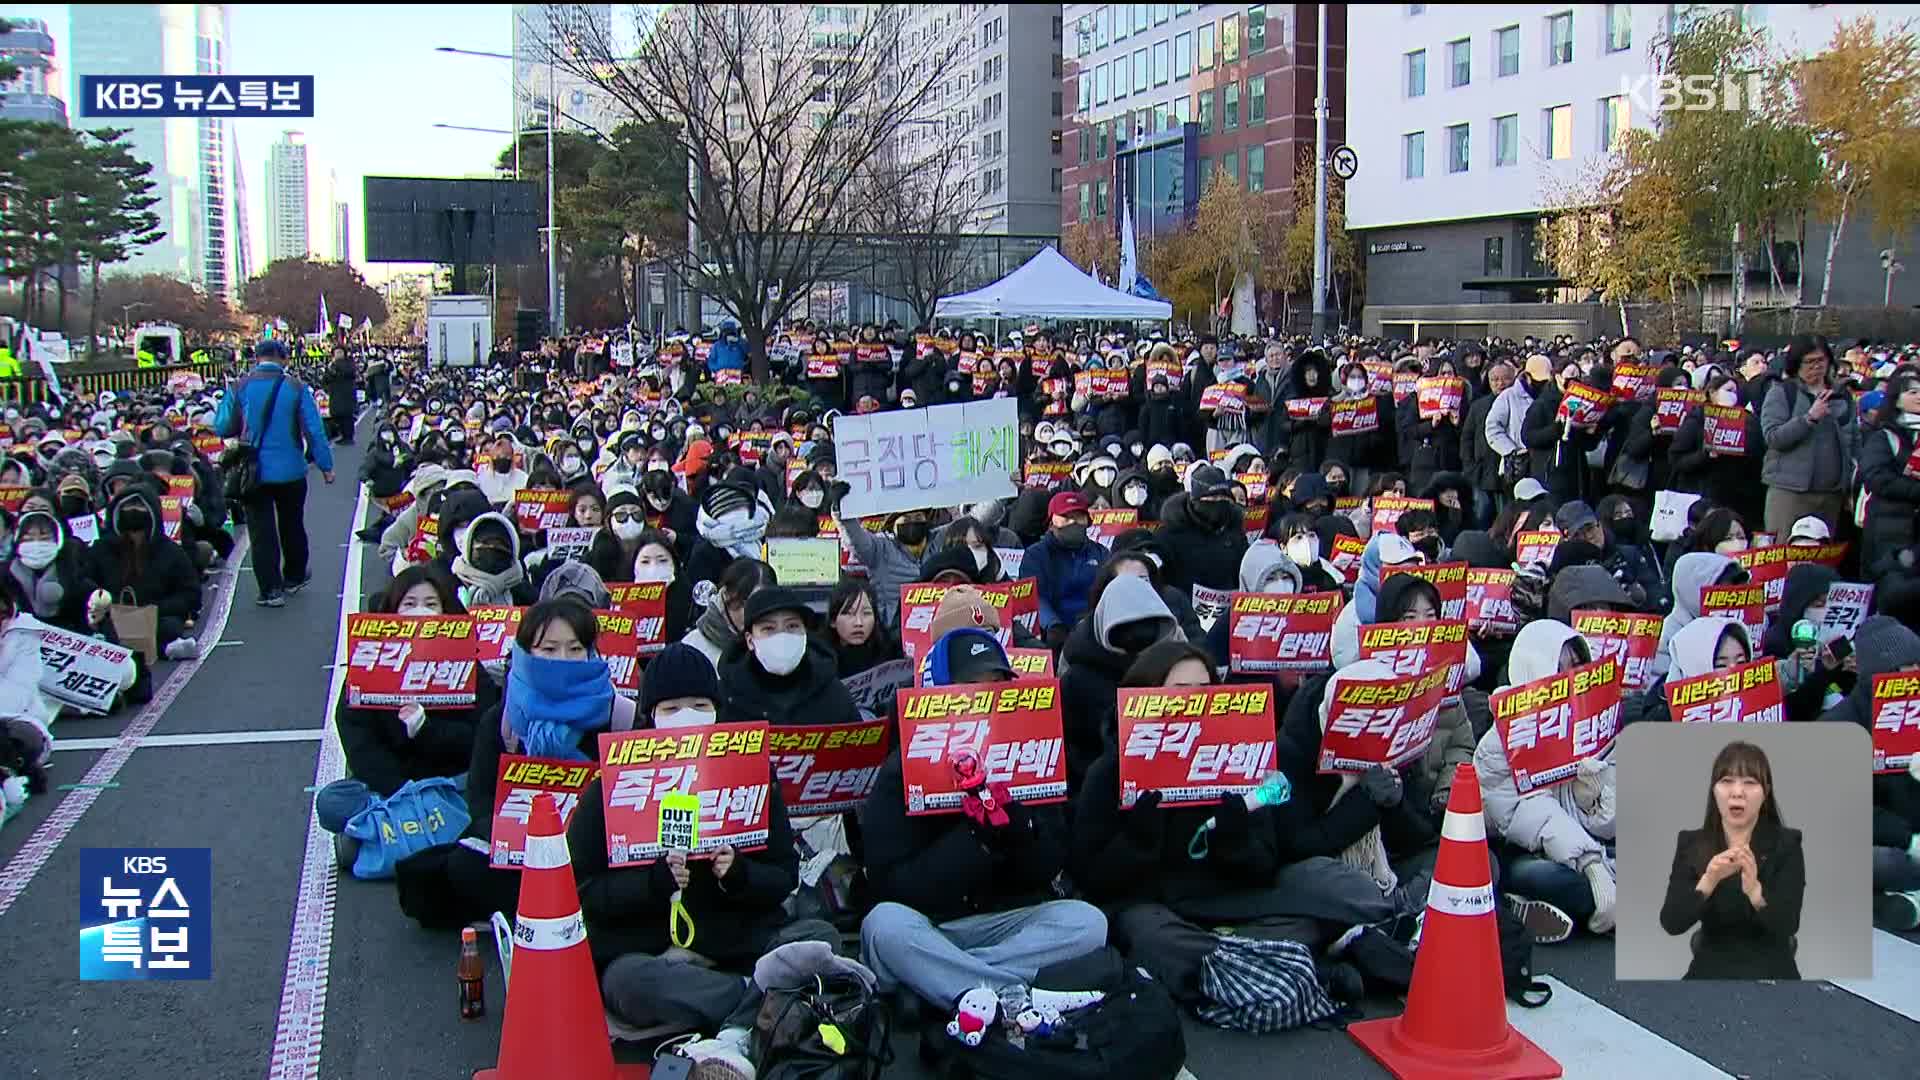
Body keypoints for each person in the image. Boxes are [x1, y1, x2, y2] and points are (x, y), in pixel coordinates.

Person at [568, 641, 840, 1072]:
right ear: (649, 714)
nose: (688, 718)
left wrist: (739, 874)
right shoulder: (613, 785)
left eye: (699, 705)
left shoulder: (750, 770)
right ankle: (763, 1003)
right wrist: (651, 884)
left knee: (818, 936)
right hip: (652, 953)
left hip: (739, 939)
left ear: (718, 707)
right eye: (672, 708)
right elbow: (581, 893)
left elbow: (784, 874)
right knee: (627, 983)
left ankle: (737, 1024)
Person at [859, 625, 1110, 1040]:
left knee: (1087, 922)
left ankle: (943, 985)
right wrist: (973, 840)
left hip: (1005, 921)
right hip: (932, 922)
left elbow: (1049, 864)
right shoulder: (901, 769)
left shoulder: (1029, 758)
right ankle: (1007, 993)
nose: (983, 700)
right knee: (884, 926)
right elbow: (893, 886)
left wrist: (1018, 829)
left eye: (995, 688)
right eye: (969, 687)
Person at [317, 566, 493, 850]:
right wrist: (402, 791)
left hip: (450, 783)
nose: (420, 612)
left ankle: (385, 836)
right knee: (331, 801)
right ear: (392, 611)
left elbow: (480, 739)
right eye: (409, 604)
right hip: (391, 790)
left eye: (431, 604)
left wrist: (427, 730)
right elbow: (360, 743)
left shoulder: (468, 666)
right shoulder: (369, 665)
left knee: (486, 785)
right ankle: (434, 830)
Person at [1474, 620, 1617, 943]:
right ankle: (1516, 908)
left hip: (1589, 842)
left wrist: (1593, 800)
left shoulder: (1593, 719)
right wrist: (1589, 862)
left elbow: (1611, 825)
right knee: (1555, 880)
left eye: (1578, 667)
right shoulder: (1501, 740)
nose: (1571, 678)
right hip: (1527, 850)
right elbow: (1525, 815)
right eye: (1559, 668)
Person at [1659, 740, 1804, 981]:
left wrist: (1755, 892)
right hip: (1711, 966)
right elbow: (1672, 923)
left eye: (1750, 782)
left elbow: (1788, 925)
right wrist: (1709, 880)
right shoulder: (1691, 843)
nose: (1738, 792)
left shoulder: (1786, 844)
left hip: (1772, 969)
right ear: (1714, 790)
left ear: (1766, 792)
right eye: (1727, 782)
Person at [213, 339, 335, 607]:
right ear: (285, 360)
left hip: (253, 471)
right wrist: (326, 466)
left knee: (261, 530)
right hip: (291, 468)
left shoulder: (240, 386)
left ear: (256, 359)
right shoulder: (296, 387)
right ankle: (294, 575)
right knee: (292, 523)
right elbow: (314, 430)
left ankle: (270, 590)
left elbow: (221, 426)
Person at [719, 587, 862, 730]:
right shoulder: (725, 696)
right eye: (769, 628)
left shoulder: (833, 693)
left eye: (792, 626)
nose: (782, 636)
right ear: (750, 641)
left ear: (805, 633)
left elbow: (861, 746)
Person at [88, 488, 203, 660]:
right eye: (129, 507)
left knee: (169, 626)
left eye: (140, 507)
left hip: (156, 617)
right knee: (101, 627)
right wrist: (100, 600)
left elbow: (191, 593)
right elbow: (87, 581)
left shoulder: (170, 551)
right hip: (113, 614)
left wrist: (155, 608)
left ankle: (165, 647)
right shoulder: (101, 549)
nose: (134, 512)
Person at [1760, 335, 1854, 538]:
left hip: (1831, 494)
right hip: (1790, 492)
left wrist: (1849, 485)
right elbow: (1773, 437)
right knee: (1784, 553)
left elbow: (1853, 441)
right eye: (1809, 362)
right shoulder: (1782, 392)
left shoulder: (1842, 395)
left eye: (1821, 360)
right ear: (1796, 364)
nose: (1816, 367)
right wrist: (1809, 418)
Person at [1025, 491, 1106, 648]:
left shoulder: (1101, 552)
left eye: (1078, 517)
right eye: (1066, 517)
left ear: (1087, 521)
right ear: (1051, 522)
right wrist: (1053, 624)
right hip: (1053, 634)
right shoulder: (1036, 554)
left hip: (1095, 630)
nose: (1072, 523)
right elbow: (1034, 595)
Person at [682, 557, 777, 674]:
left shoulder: (779, 645)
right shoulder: (692, 649)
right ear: (726, 596)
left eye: (764, 605)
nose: (755, 613)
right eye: (746, 603)